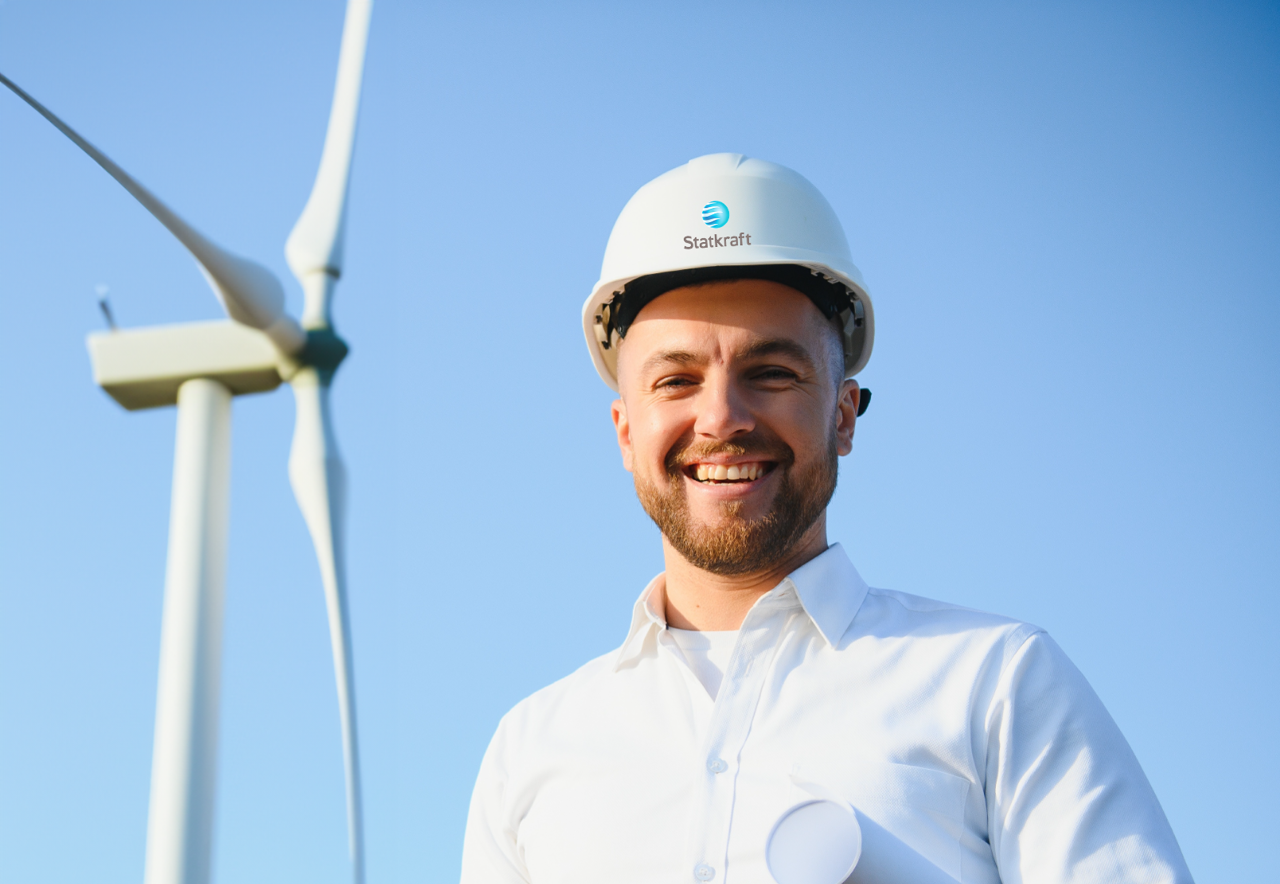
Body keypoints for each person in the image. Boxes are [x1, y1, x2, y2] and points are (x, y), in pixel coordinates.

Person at [460, 153, 1192, 884]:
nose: (721, 418)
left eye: (772, 373)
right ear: (625, 430)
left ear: (844, 415)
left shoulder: (996, 683)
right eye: (676, 380)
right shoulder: (530, 752)